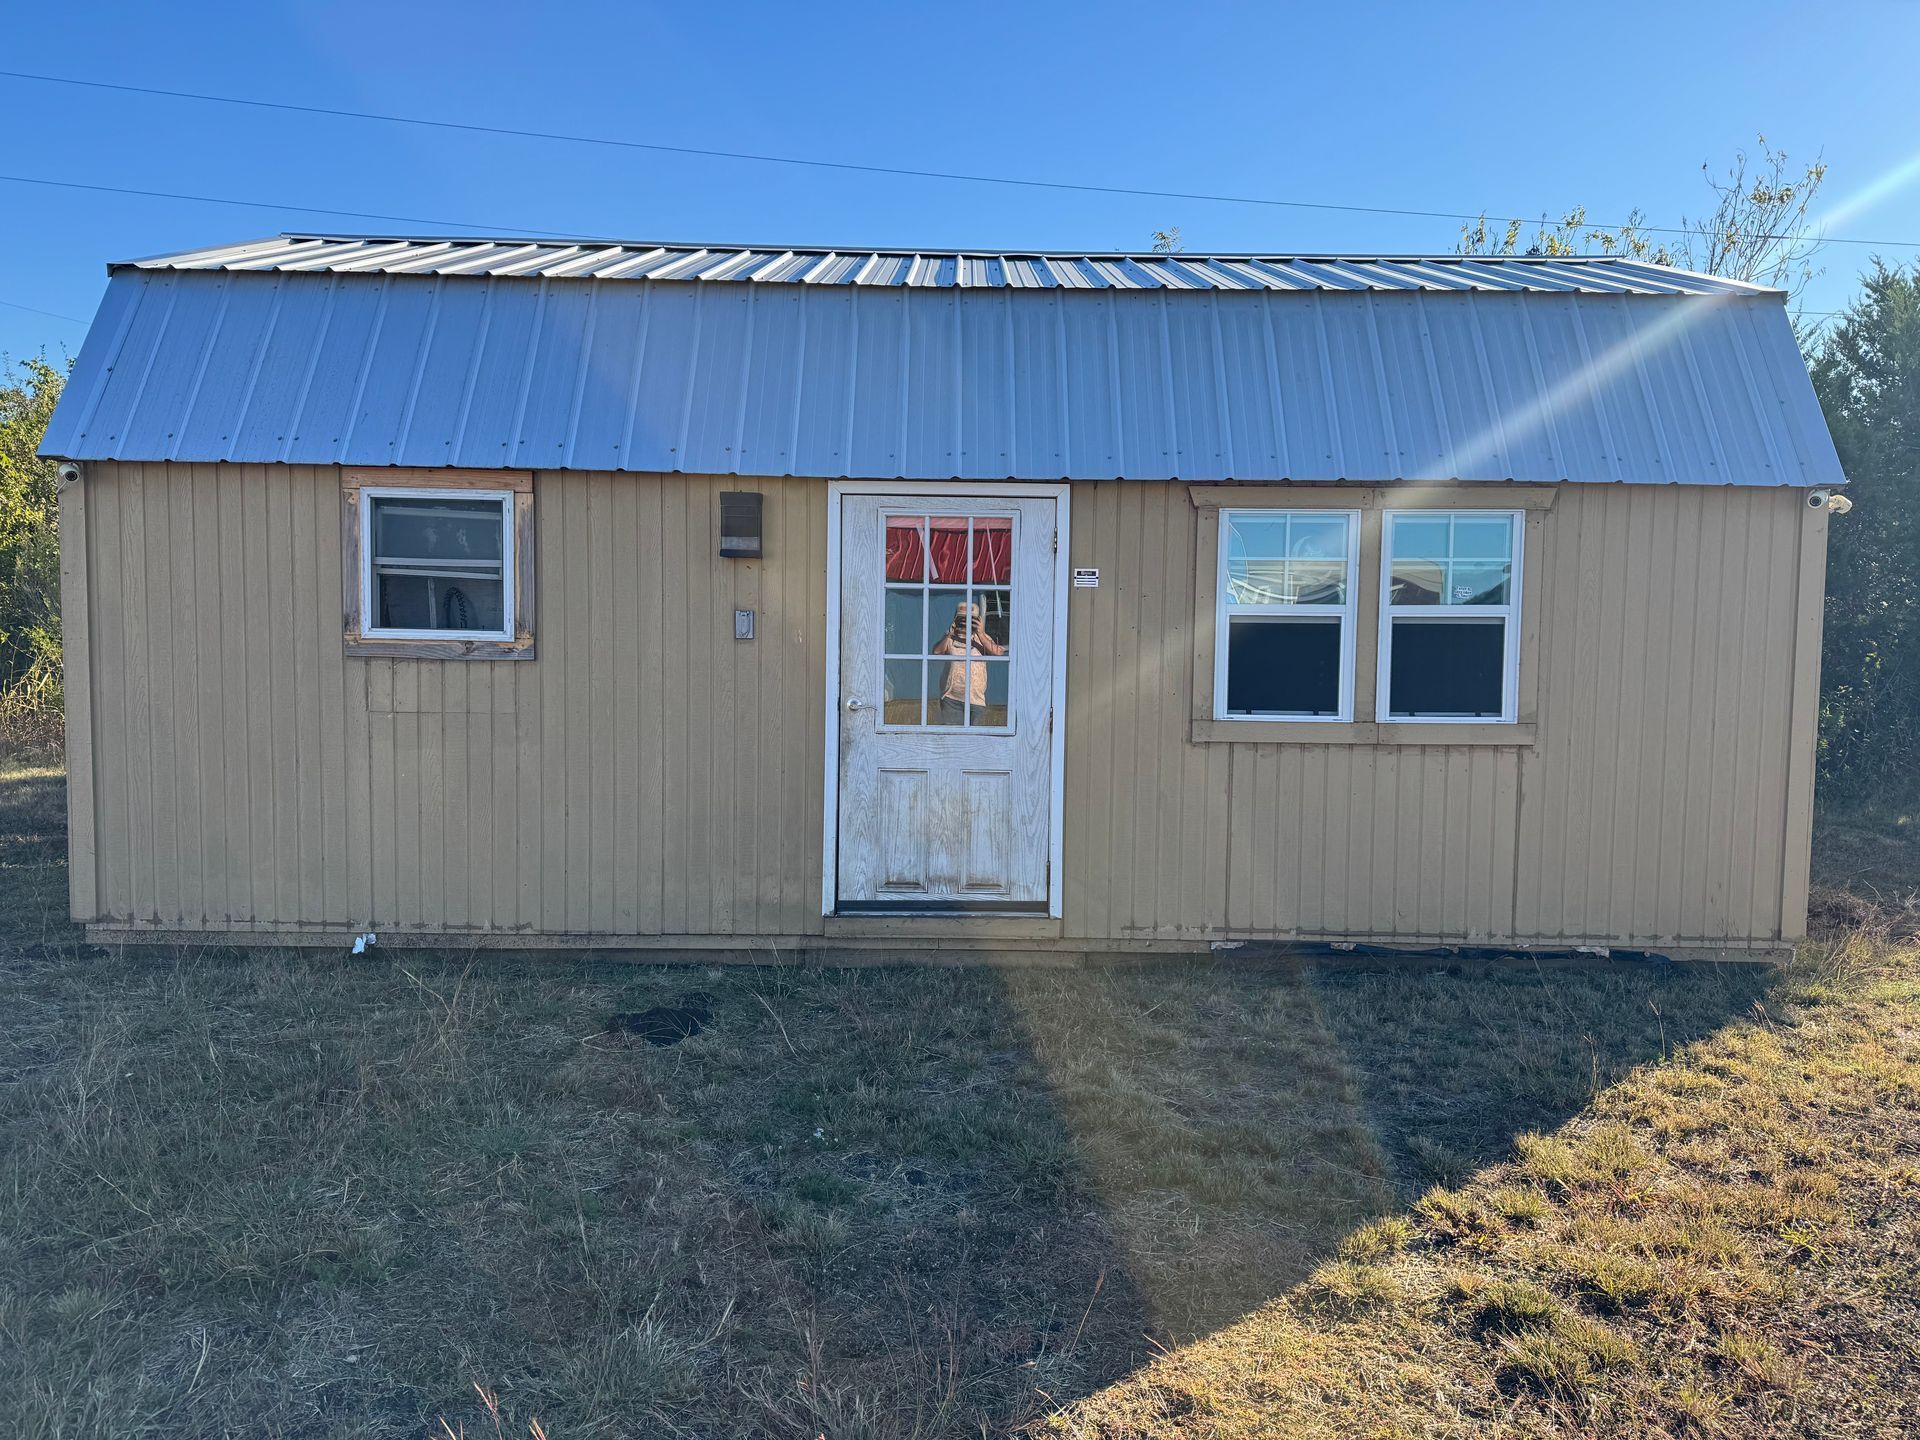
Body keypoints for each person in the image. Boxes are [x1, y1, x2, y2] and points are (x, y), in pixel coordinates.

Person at [929, 601, 1005, 724]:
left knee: (976, 738)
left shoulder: (983, 639)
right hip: (951, 697)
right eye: (962, 619)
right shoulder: (950, 638)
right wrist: (950, 634)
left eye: (970, 619)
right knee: (951, 737)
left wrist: (980, 632)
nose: (965, 623)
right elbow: (936, 653)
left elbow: (998, 653)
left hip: (976, 698)